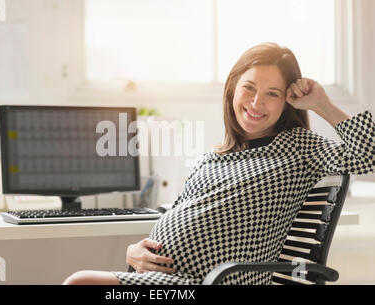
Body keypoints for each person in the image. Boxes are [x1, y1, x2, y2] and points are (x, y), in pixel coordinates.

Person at [62, 42, 375, 285]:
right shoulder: (213, 157)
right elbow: (178, 218)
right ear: (233, 89)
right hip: (171, 281)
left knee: (80, 282)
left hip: (215, 281)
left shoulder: (298, 147)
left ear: (287, 102)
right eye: (249, 88)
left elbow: (369, 154)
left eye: (272, 94)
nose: (255, 103)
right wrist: (135, 252)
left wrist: (322, 103)